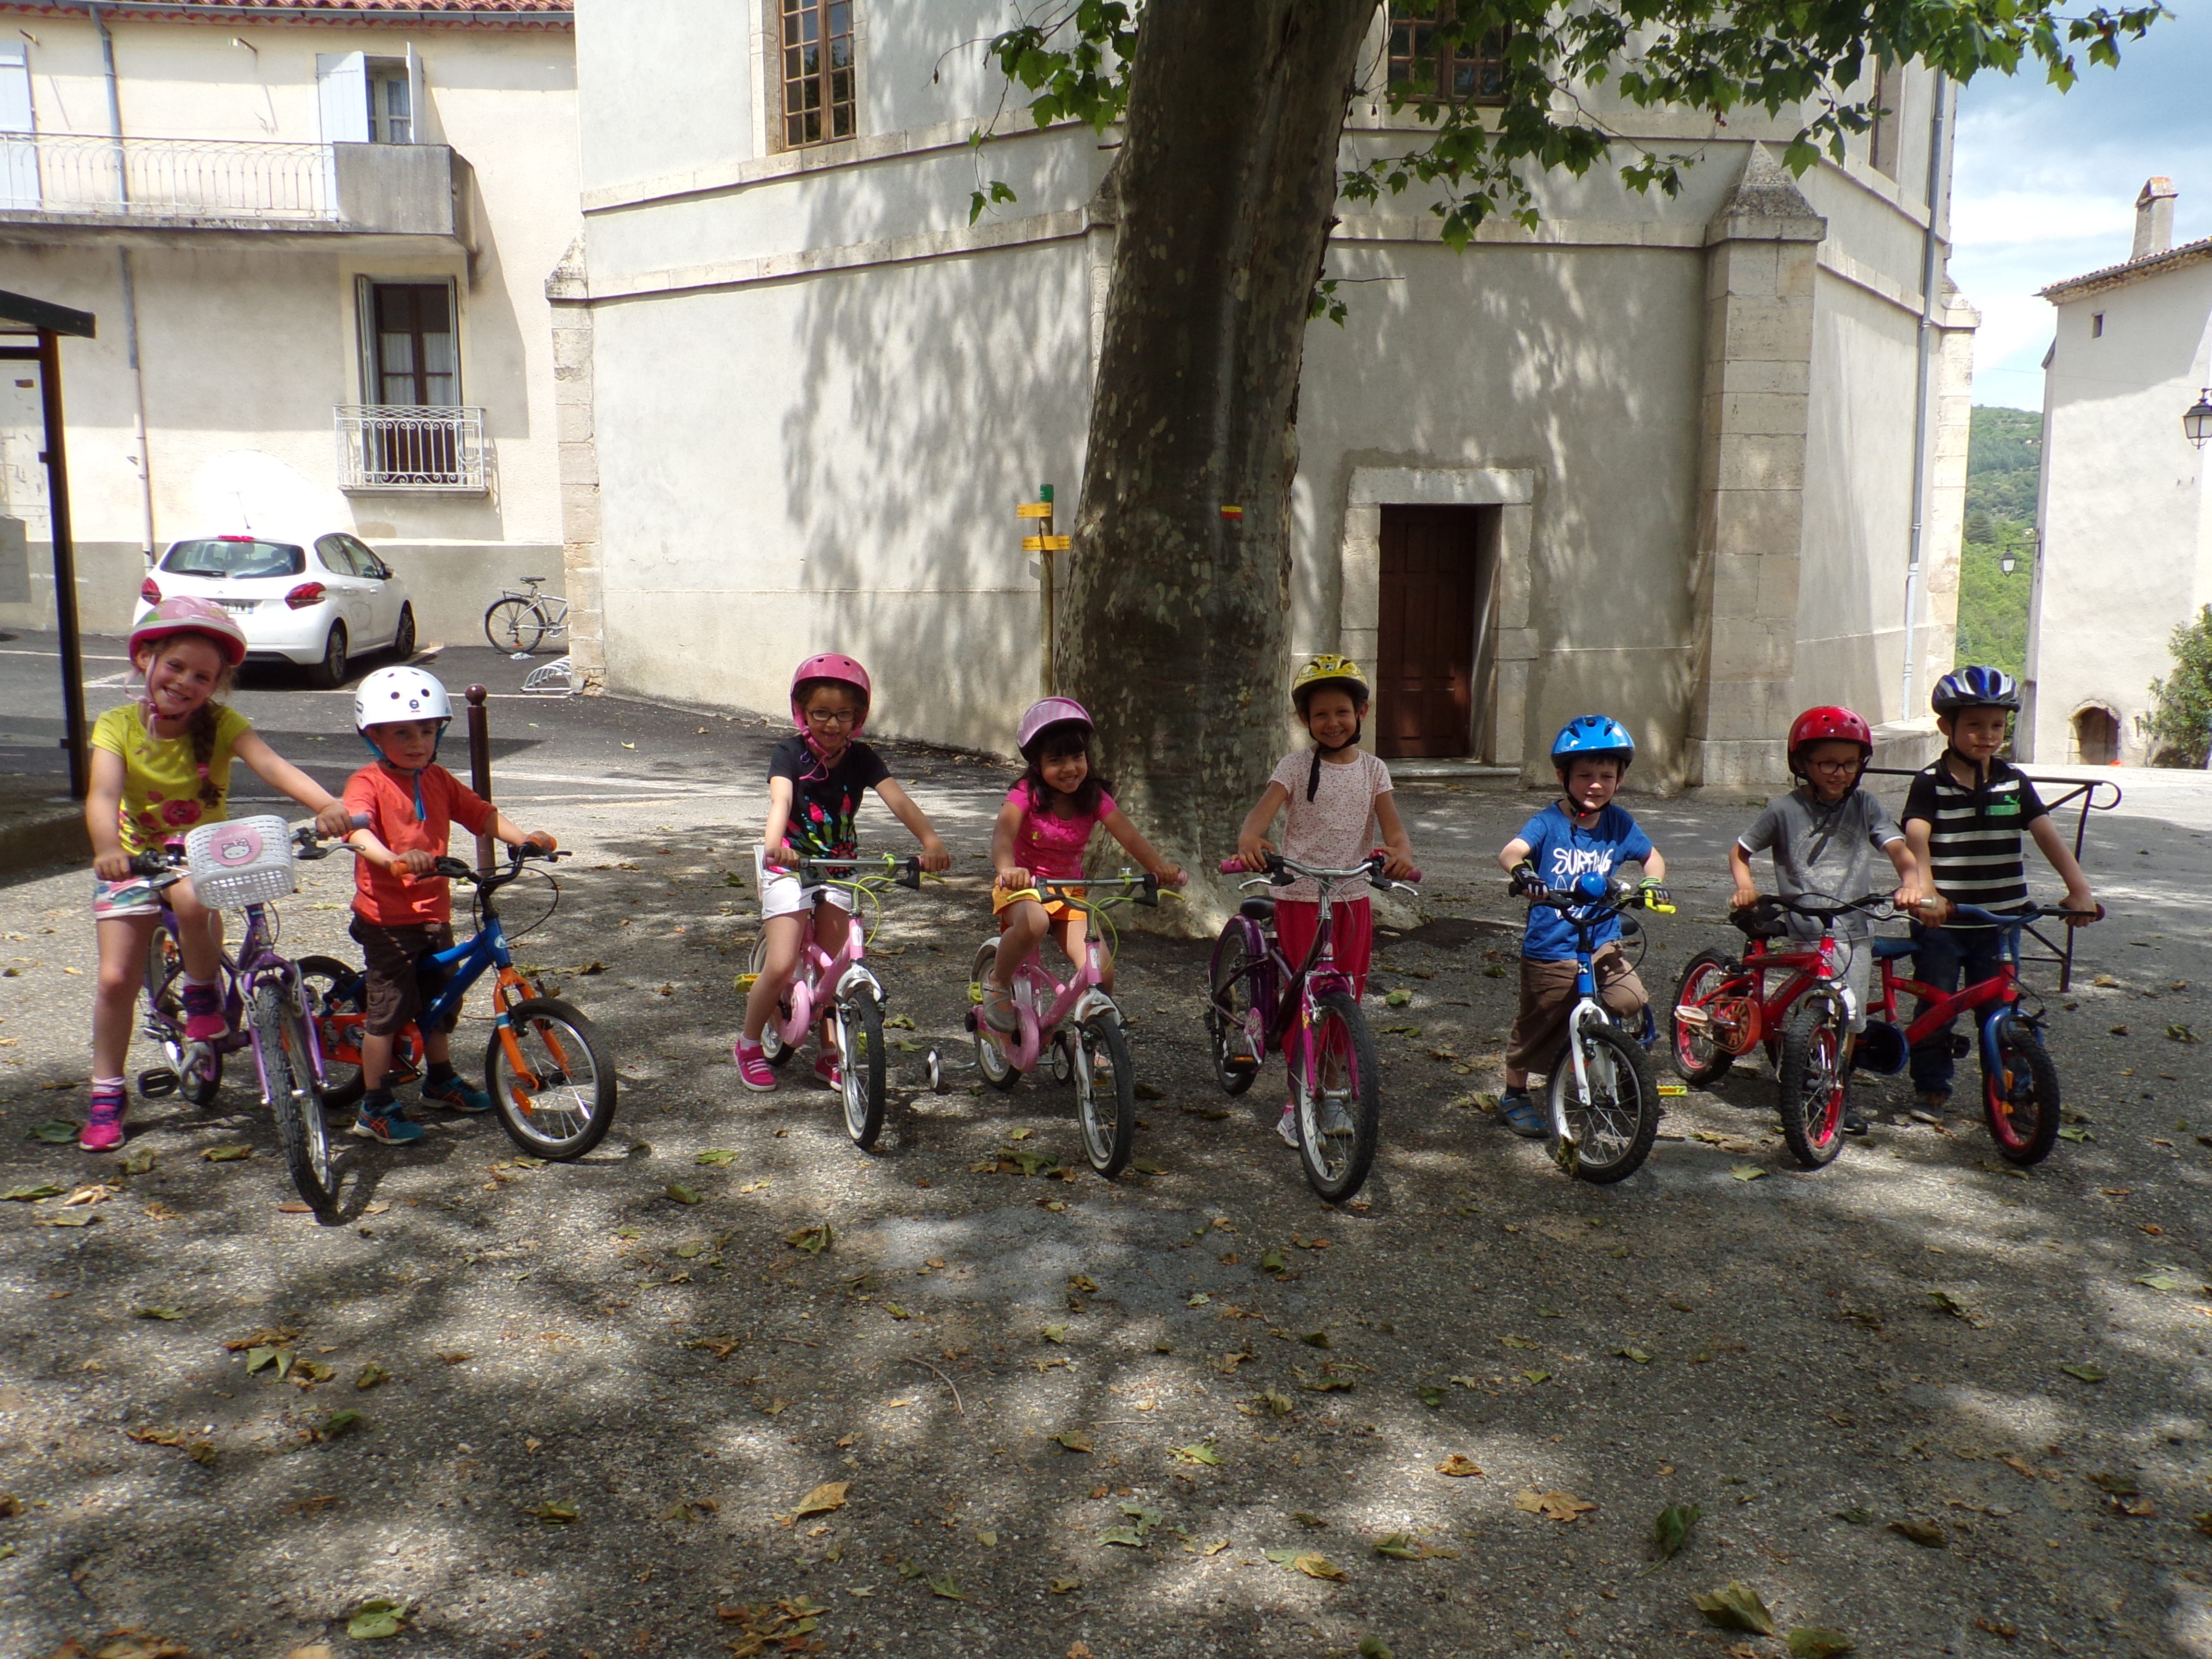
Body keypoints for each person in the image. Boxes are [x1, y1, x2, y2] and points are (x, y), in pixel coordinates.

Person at [82, 598, 355, 1153]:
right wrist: (109, 847)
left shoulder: (223, 725)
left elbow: (275, 767)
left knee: (191, 898)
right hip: (134, 859)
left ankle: (203, 996)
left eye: (202, 677)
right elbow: (103, 794)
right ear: (146, 661)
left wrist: (329, 806)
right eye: (175, 666)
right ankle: (106, 1091)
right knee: (116, 980)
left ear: (216, 687)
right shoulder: (115, 726)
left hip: (200, 855)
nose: (185, 682)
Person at [341, 666, 557, 1145]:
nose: (417, 741)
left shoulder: (437, 778)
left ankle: (440, 1080)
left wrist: (525, 840)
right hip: (387, 919)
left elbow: (479, 813)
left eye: (427, 730)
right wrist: (392, 859)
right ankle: (373, 1106)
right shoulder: (368, 783)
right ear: (373, 736)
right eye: (402, 732)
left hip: (432, 912)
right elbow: (355, 831)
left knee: (441, 1003)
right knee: (389, 1013)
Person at [734, 654, 951, 1090]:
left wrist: (931, 841)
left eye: (843, 715)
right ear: (803, 713)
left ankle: (831, 1052)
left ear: (858, 717)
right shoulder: (789, 753)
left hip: (840, 866)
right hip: (791, 865)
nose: (832, 724)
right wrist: (776, 846)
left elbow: (900, 802)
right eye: (821, 714)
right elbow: (780, 801)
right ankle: (749, 1043)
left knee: (836, 966)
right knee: (780, 964)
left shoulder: (863, 758)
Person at [1231, 656, 1417, 1148]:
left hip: (1352, 897)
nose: (1332, 723)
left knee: (1344, 999)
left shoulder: (1374, 770)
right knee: (1304, 1000)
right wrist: (1252, 842)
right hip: (1298, 895)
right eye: (1320, 715)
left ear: (1363, 713)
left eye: (1342, 712)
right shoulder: (1293, 767)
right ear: (1304, 720)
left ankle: (1331, 1087)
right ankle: (1298, 1100)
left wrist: (1398, 856)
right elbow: (1258, 820)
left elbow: (1396, 834)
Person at [1900, 666, 2098, 1113]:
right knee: (1939, 1004)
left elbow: (2047, 834)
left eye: (1996, 725)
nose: (1987, 735)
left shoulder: (2013, 781)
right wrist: (1925, 889)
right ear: (1946, 727)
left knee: (2003, 1010)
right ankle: (1932, 1084)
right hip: (1945, 921)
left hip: (2002, 920)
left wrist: (2078, 889)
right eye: (1973, 725)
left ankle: (2017, 1094)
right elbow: (1917, 835)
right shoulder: (1930, 782)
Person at [1728, 705, 1918, 1135]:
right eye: (1828, 763)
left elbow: (1899, 850)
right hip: (1802, 928)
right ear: (1802, 764)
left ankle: (1836, 1088)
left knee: (1847, 1020)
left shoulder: (1866, 805)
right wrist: (1746, 886)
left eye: (1850, 764)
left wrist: (1911, 881)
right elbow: (1740, 852)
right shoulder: (1783, 810)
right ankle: (1801, 1072)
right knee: (1803, 1013)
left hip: (1854, 930)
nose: (1840, 773)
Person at [1494, 716, 1668, 1138]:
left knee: (1628, 1000)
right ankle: (1514, 1095)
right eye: (1585, 775)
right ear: (1563, 777)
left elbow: (1653, 858)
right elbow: (1511, 851)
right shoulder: (1548, 823)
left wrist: (1651, 884)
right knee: (1538, 1024)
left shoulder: (1619, 822)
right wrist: (1524, 874)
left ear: (1620, 778)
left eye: (1606, 776)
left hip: (1602, 940)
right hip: (1552, 945)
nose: (1596, 784)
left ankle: (1617, 1060)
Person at [980, 698, 1185, 1029]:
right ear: (1036, 765)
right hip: (1024, 889)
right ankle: (998, 981)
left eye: (1077, 757)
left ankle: (1094, 1039)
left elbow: (1130, 837)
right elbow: (1003, 836)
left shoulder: (1093, 797)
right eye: (1056, 760)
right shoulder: (1025, 793)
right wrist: (1008, 870)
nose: (1070, 768)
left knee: (1101, 969)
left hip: (1069, 892)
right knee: (1034, 924)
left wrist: (1158, 867)